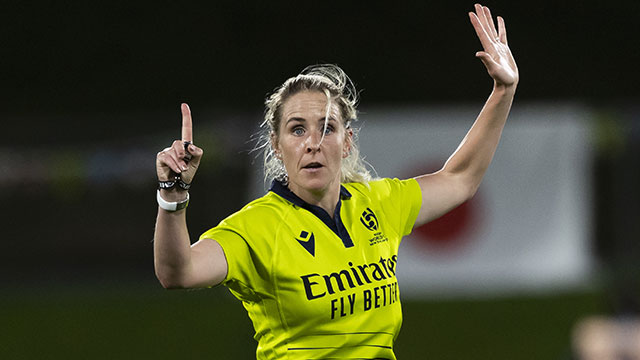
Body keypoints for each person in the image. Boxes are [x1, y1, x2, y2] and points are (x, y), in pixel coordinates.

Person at [153, 4, 518, 359]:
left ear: (346, 142)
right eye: (297, 129)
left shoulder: (378, 204)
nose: (313, 142)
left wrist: (503, 92)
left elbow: (460, 178)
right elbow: (178, 272)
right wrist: (173, 194)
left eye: (327, 128)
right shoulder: (254, 229)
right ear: (277, 147)